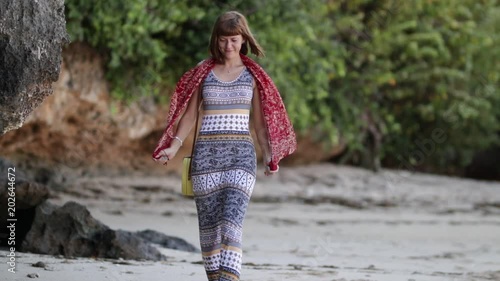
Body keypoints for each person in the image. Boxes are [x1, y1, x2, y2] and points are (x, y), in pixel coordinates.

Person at [152, 11, 296, 281]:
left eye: (234, 40)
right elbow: (191, 115)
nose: (228, 46)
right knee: (209, 232)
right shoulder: (203, 72)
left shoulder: (253, 75)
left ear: (244, 40)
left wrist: (269, 156)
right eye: (223, 40)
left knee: (231, 224)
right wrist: (174, 146)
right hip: (205, 159)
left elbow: (260, 124)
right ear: (215, 40)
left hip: (241, 158)